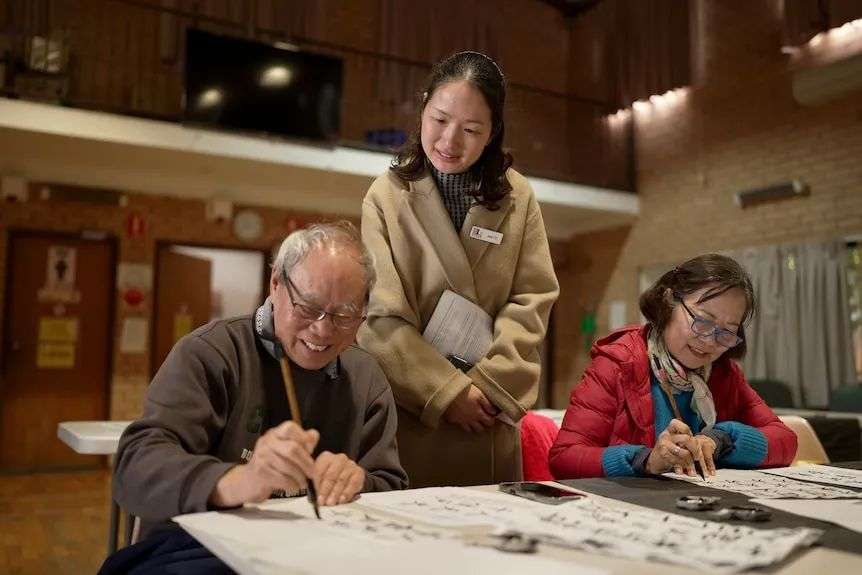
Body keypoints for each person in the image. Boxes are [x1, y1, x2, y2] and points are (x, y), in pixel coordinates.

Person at [103, 222, 407, 573]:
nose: (322, 330)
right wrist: (240, 481)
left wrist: (356, 480)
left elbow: (389, 484)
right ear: (275, 284)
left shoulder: (366, 376)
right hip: (201, 549)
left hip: (318, 550)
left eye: (343, 315)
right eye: (308, 307)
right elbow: (136, 467)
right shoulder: (210, 353)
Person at [358, 51, 560, 487]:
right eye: (440, 120)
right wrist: (448, 393)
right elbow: (382, 317)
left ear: (493, 134)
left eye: (471, 130)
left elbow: (532, 299)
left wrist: (488, 388)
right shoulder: (386, 196)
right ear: (423, 107)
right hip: (417, 409)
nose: (450, 142)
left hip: (487, 409)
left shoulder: (517, 196)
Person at [549, 254, 797, 479]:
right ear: (668, 301)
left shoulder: (723, 373)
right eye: (702, 321)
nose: (710, 341)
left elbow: (786, 441)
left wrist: (723, 439)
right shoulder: (618, 364)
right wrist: (645, 460)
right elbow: (565, 458)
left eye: (727, 332)